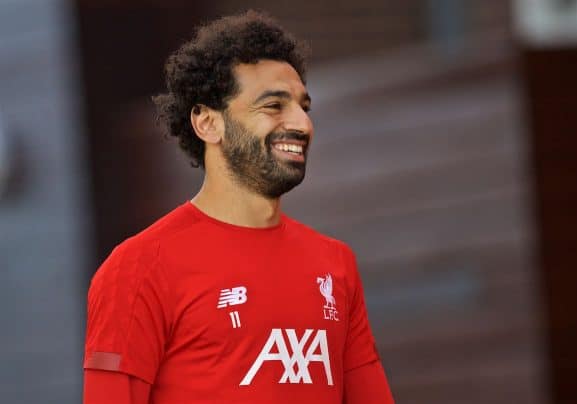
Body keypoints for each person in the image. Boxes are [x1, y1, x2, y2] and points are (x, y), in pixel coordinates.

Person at [83, 10, 394, 404]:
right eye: (273, 106)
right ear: (207, 122)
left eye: (304, 106)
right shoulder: (138, 269)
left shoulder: (335, 265)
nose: (301, 123)